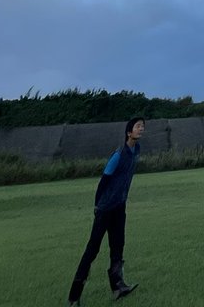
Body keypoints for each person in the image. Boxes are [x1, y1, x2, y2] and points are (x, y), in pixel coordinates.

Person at [68, 117, 146, 304]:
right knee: (92, 250)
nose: (141, 129)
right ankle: (74, 296)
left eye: (143, 126)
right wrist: (98, 205)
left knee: (118, 246)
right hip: (105, 209)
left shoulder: (137, 150)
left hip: (120, 207)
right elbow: (103, 181)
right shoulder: (118, 155)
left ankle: (118, 287)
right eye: (138, 126)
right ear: (129, 132)